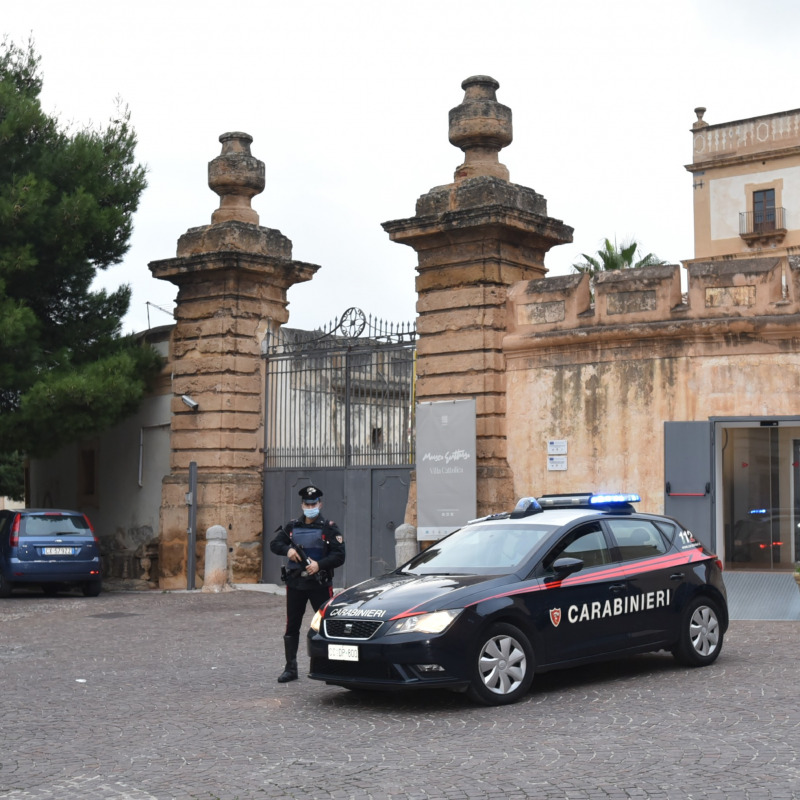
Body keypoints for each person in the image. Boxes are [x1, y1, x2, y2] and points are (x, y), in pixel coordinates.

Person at [269, 485, 345, 683]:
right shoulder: (292, 526)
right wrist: (288, 551)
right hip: (296, 583)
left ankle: (333, 667)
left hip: (319, 583)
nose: (310, 506)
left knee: (327, 624)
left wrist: (319, 565)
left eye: (313, 503)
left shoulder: (329, 527)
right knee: (291, 625)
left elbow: (339, 555)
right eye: (306, 503)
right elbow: (274, 544)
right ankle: (290, 668)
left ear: (320, 503)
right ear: (302, 504)